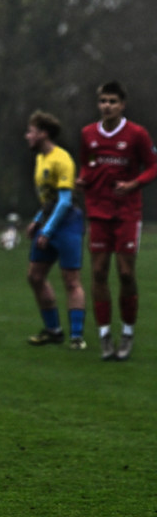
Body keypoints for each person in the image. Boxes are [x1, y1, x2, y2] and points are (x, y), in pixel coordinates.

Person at [76, 82, 157, 360]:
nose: (106, 106)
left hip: (127, 212)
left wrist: (134, 183)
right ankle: (104, 336)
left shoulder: (137, 134)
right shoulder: (88, 133)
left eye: (112, 101)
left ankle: (128, 332)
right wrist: (83, 178)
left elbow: (154, 166)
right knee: (98, 272)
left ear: (122, 105)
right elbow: (88, 162)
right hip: (98, 211)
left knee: (125, 273)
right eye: (102, 101)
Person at [23, 110, 87, 349]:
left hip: (67, 223)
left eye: (30, 131)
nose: (27, 135)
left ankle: (77, 336)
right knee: (35, 276)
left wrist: (47, 231)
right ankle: (53, 330)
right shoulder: (40, 158)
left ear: (43, 133)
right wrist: (37, 220)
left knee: (71, 280)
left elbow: (64, 201)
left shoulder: (62, 160)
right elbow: (49, 200)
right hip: (49, 221)